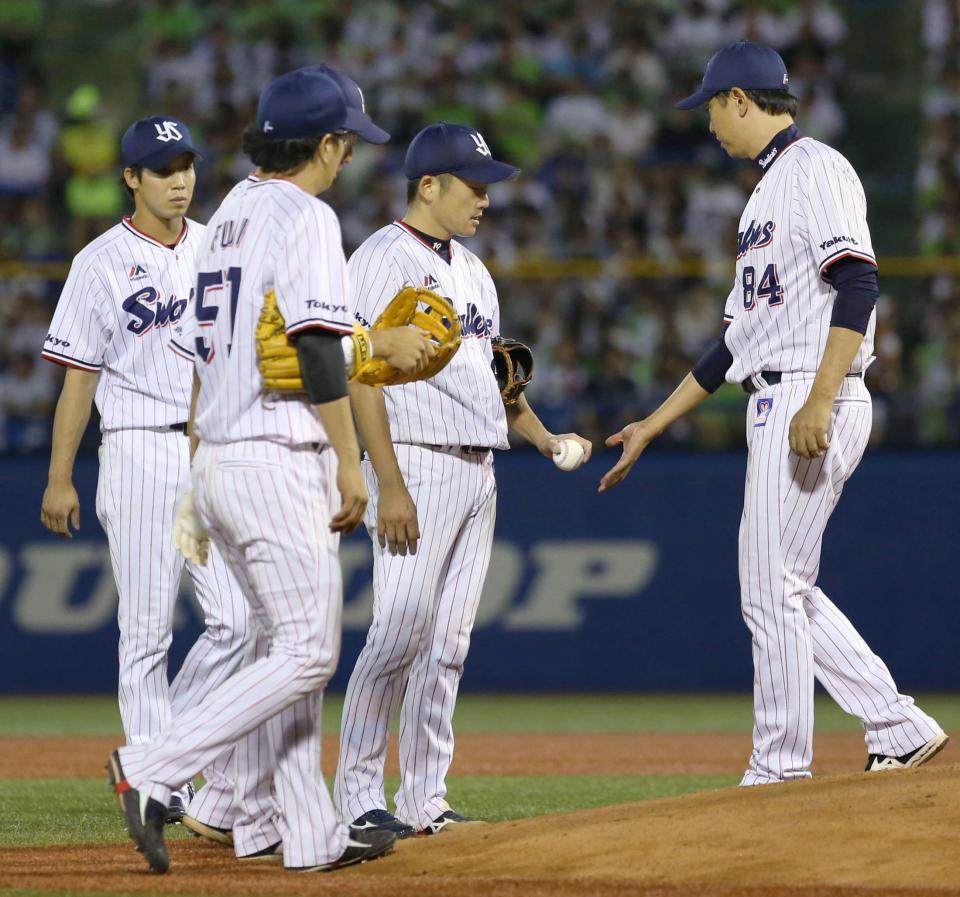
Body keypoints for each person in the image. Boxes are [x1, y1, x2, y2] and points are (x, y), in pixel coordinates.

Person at [104, 68, 434, 873]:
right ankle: (153, 766)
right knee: (309, 655)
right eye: (346, 141)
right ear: (322, 144)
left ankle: (289, 829)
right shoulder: (306, 214)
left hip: (220, 453)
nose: (349, 156)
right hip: (276, 457)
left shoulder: (230, 216)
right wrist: (352, 462)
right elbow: (317, 346)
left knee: (278, 652)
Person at [600, 41, 947, 785]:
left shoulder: (815, 168)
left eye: (713, 108)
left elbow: (858, 283)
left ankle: (780, 768)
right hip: (776, 388)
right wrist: (653, 425)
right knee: (783, 583)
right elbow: (732, 344)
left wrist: (819, 395)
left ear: (741, 101)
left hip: (809, 390)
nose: (710, 125)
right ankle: (896, 723)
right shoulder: (762, 196)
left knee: (770, 586)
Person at [333, 122, 593, 836]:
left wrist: (544, 438)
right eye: (474, 185)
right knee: (399, 633)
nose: (486, 198)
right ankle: (355, 795)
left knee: (448, 644)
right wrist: (387, 480)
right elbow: (359, 373)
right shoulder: (381, 258)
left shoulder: (475, 271)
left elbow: (499, 384)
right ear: (428, 186)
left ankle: (424, 798)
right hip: (414, 458)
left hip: (480, 468)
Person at [39, 115, 250, 821]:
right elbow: (77, 377)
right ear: (131, 178)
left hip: (207, 450)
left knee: (239, 622)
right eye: (164, 168)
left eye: (187, 164)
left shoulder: (217, 245)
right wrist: (60, 475)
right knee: (147, 631)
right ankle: (160, 782)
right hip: (134, 450)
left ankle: (155, 759)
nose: (181, 179)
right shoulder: (98, 261)